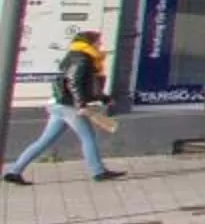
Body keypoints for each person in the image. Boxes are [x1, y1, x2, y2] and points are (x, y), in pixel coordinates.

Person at [5, 29, 122, 185]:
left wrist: (103, 98)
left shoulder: (75, 56)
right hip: (70, 106)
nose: (100, 44)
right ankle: (98, 172)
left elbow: (86, 85)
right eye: (98, 41)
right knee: (88, 137)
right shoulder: (83, 59)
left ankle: (14, 172)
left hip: (60, 104)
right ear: (90, 42)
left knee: (44, 141)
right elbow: (74, 82)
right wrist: (81, 104)